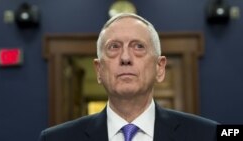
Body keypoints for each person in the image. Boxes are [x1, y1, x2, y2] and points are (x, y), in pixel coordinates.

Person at [39, 13, 218, 141]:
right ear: (99, 70)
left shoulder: (209, 134)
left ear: (160, 68)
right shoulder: (55, 139)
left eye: (138, 47)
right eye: (114, 47)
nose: (125, 58)